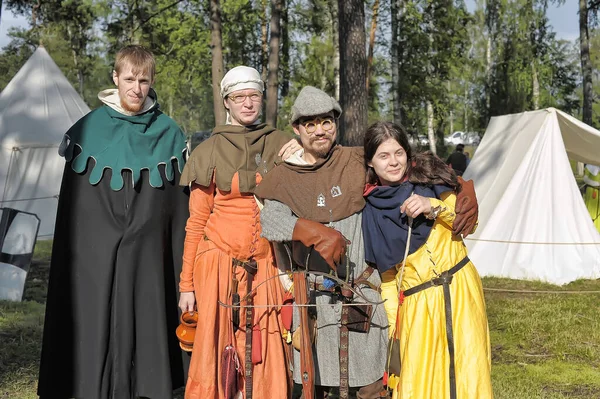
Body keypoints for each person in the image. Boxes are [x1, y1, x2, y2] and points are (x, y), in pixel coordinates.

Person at [255, 86, 479, 398]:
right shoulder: (286, 175)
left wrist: (460, 185)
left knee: (373, 386)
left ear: (336, 124)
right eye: (309, 124)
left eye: (326, 122)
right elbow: (270, 220)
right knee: (318, 386)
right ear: (296, 129)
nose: (319, 131)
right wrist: (311, 231)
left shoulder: (357, 160)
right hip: (317, 304)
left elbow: (404, 160)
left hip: (364, 297)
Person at [38, 45, 189, 398]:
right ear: (115, 78)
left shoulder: (169, 132)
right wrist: (101, 240)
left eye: (144, 80)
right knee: (94, 318)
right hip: (95, 251)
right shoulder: (88, 129)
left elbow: (178, 209)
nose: (136, 88)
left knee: (149, 318)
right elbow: (76, 210)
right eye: (130, 79)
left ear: (152, 82)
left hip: (151, 250)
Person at [177, 65, 301, 399]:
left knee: (267, 345)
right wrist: (186, 284)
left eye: (254, 96)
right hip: (217, 263)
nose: (248, 104)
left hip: (267, 265)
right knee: (215, 349)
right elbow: (196, 222)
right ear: (227, 102)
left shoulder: (281, 144)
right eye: (239, 97)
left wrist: (300, 153)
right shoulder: (208, 151)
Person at [361, 121, 492, 399]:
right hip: (417, 305)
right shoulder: (372, 209)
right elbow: (387, 279)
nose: (394, 162)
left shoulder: (429, 179)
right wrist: (392, 332)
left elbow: (469, 223)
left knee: (469, 370)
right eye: (383, 156)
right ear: (371, 162)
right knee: (419, 381)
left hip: (460, 290)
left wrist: (433, 206)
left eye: (398, 153)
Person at [583, 163, 600, 232]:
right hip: (591, 191)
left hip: (598, 192)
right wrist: (597, 183)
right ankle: (589, 230)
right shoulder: (589, 166)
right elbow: (585, 179)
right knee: (590, 210)